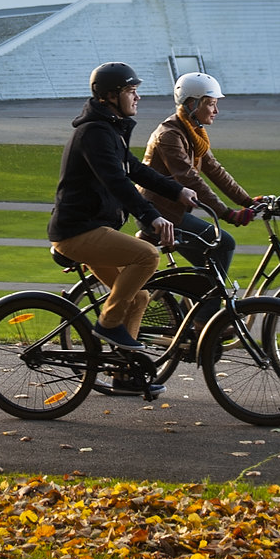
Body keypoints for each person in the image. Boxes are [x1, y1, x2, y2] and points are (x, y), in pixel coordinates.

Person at [48, 62, 199, 395]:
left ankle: (124, 373)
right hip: (77, 232)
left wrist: (177, 190)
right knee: (146, 255)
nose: (138, 97)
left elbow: (134, 170)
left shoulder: (109, 130)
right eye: (131, 91)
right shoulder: (94, 133)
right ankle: (108, 323)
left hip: (91, 228)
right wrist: (152, 217)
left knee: (140, 295)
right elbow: (117, 182)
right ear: (109, 97)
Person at [139, 72, 260, 280]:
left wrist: (247, 201)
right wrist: (226, 213)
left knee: (207, 271)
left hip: (173, 212)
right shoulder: (170, 135)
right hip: (160, 214)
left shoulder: (193, 132)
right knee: (225, 244)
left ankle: (195, 304)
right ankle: (206, 311)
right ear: (193, 104)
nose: (216, 111)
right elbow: (189, 178)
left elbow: (215, 170)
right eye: (211, 104)